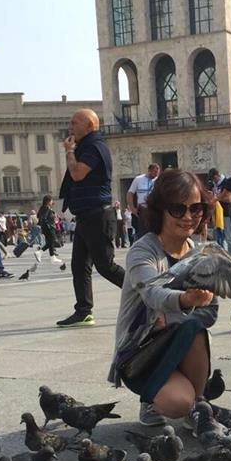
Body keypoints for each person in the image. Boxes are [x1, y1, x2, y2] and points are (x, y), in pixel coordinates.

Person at [108, 169, 217, 426]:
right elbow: (152, 292)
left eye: (196, 208)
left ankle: (197, 406)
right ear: (160, 210)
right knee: (178, 402)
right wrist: (186, 301)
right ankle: (152, 401)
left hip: (178, 343)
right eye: (178, 209)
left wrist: (169, 320)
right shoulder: (142, 251)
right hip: (140, 353)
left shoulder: (200, 255)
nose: (188, 217)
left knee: (195, 328)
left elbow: (210, 311)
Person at [57, 108, 124, 327]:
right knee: (79, 266)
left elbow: (77, 174)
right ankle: (83, 311)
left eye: (74, 123)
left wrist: (69, 151)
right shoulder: (86, 146)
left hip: (98, 215)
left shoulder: (94, 147)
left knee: (105, 266)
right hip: (86, 216)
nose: (70, 127)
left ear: (89, 126)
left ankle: (148, 295)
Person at [127, 163, 159, 243]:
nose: (156, 174)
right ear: (149, 171)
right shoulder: (138, 179)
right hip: (142, 210)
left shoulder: (158, 180)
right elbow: (130, 193)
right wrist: (132, 208)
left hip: (154, 210)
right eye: (155, 172)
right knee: (142, 234)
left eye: (157, 172)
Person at [209, 167, 231, 251]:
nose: (213, 181)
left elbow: (229, 199)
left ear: (217, 175)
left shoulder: (226, 182)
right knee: (219, 237)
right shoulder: (213, 185)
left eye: (214, 179)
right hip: (217, 213)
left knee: (228, 237)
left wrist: (217, 198)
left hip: (226, 213)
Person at [37, 195, 63, 263]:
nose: (52, 202)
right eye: (51, 201)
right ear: (48, 201)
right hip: (49, 227)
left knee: (50, 242)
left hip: (45, 227)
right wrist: (50, 221)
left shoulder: (42, 208)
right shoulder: (47, 208)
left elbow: (38, 215)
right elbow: (45, 218)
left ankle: (52, 257)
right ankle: (40, 252)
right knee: (51, 241)